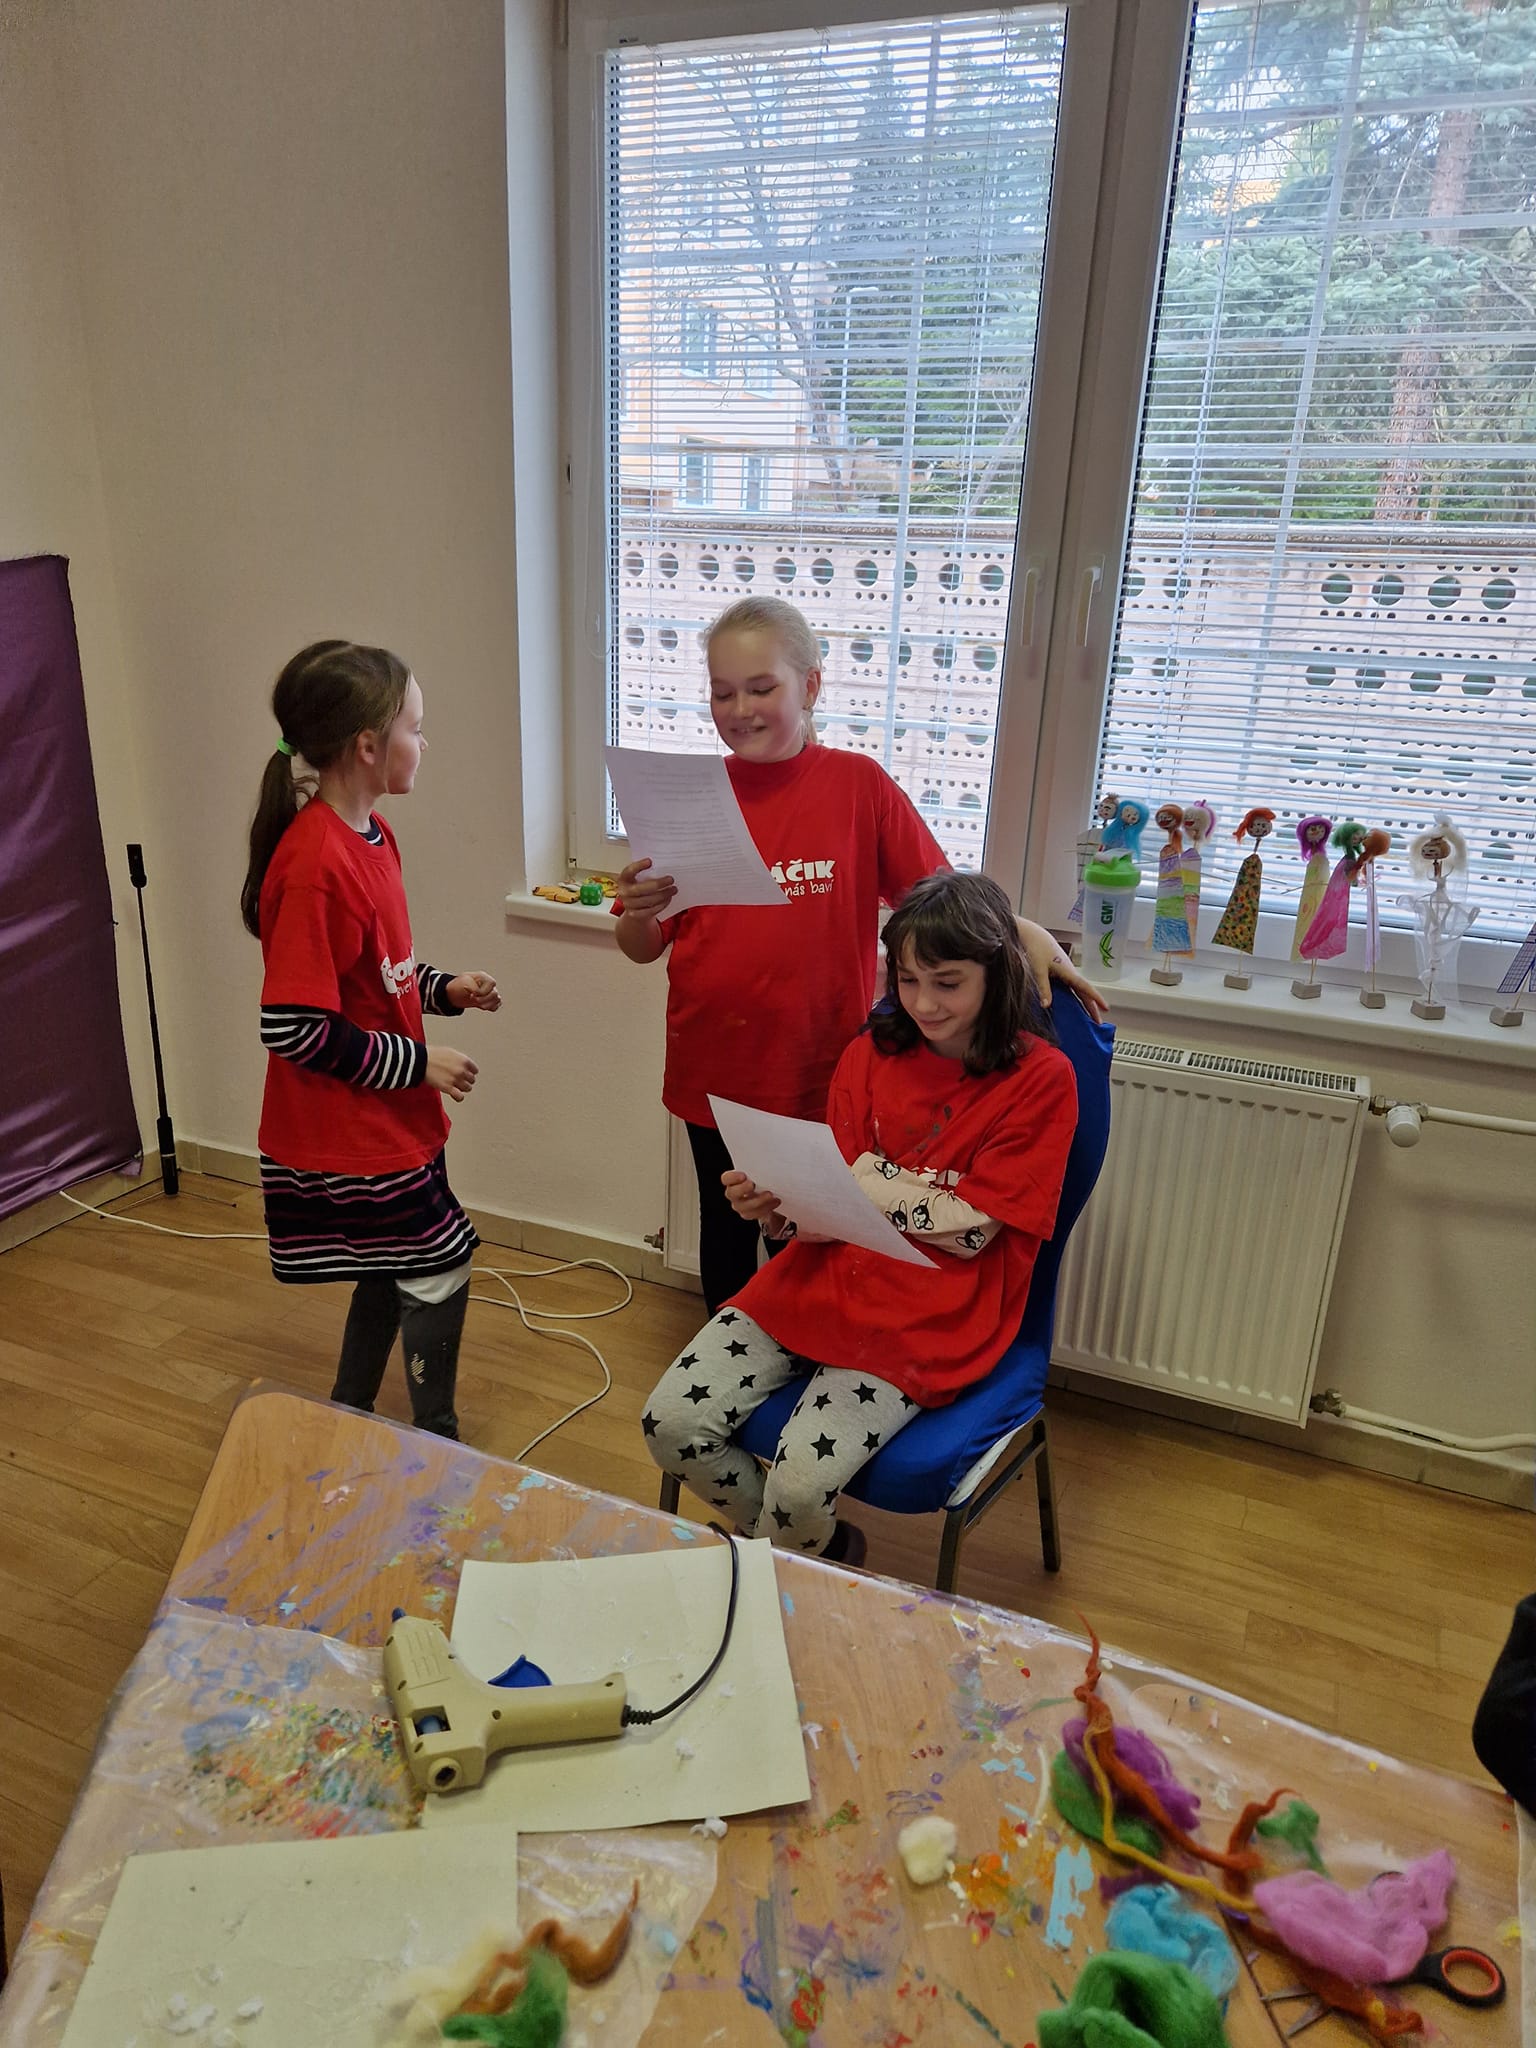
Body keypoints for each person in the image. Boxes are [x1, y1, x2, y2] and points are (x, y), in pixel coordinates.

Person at [613, 594, 1102, 1315]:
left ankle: (802, 1351)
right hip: (712, 1065)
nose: (740, 709)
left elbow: (940, 897)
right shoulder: (688, 801)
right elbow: (641, 946)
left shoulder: (857, 786)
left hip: (825, 1069)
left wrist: (1026, 932)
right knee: (726, 1223)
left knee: (811, 1237)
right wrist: (636, 910)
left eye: (761, 688)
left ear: (810, 685)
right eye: (722, 692)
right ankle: (729, 1349)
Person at [641, 869, 1078, 1562]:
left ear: (996, 975)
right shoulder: (870, 1051)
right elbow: (834, 1204)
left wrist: (869, 1177)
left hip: (931, 1314)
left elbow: (971, 1232)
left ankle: (789, 1568)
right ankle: (820, 1554)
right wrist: (775, 1212)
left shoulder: (1042, 1078)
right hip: (817, 1279)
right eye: (907, 980)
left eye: (947, 983)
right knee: (669, 1424)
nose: (923, 1003)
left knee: (799, 1487)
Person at [240, 640, 500, 1438]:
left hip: (391, 1121)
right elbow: (293, 1026)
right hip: (351, 1135)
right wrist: (419, 1061)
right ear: (366, 746)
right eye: (415, 729)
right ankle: (438, 1439)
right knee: (438, 1263)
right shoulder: (314, 864)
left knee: (393, 1268)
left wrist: (441, 990)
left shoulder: (374, 836)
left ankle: (351, 1411)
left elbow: (377, 975)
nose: (424, 743)